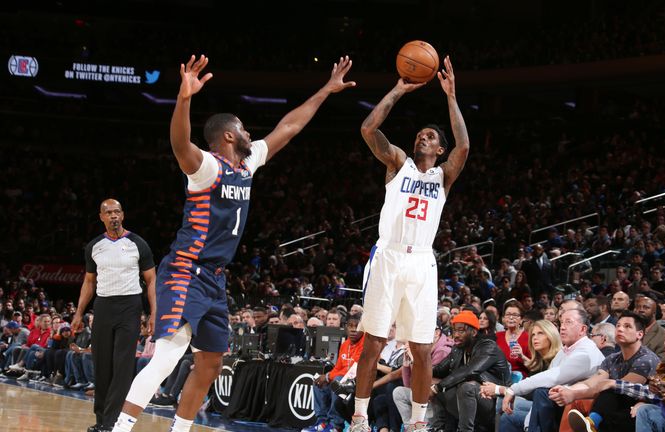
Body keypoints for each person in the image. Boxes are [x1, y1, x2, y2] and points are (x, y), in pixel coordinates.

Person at [110, 54, 355, 432]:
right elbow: (179, 143)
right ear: (228, 135)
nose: (248, 132)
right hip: (185, 270)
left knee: (210, 362)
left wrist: (326, 88)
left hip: (214, 278)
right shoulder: (208, 167)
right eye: (241, 128)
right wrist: (185, 98)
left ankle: (180, 429)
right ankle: (120, 428)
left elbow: (288, 126)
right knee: (168, 355)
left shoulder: (247, 164)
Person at [352, 55, 470, 432]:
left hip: (421, 263)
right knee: (372, 344)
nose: (423, 136)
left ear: (438, 150)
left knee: (420, 350)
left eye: (431, 136)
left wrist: (451, 96)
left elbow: (464, 147)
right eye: (421, 133)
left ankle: (418, 424)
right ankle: (358, 418)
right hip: (388, 255)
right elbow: (369, 129)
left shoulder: (442, 177)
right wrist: (399, 90)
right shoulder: (398, 163)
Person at [66, 198, 158, 432]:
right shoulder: (94, 246)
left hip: (130, 307)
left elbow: (151, 281)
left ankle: (113, 422)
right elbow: (89, 282)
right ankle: (101, 421)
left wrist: (153, 313)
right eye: (109, 213)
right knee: (102, 365)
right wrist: (79, 312)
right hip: (103, 307)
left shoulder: (138, 243)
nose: (113, 216)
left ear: (123, 215)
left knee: (123, 367)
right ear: (101, 217)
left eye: (117, 211)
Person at [431, 311, 509, 432]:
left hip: (494, 401)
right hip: (468, 401)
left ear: (473, 332)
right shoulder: (458, 349)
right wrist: (418, 358)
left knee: (466, 387)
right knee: (437, 387)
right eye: (454, 330)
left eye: (461, 331)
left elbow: (470, 370)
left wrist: (437, 387)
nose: (456, 335)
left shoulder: (488, 346)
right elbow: (437, 371)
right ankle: (440, 429)